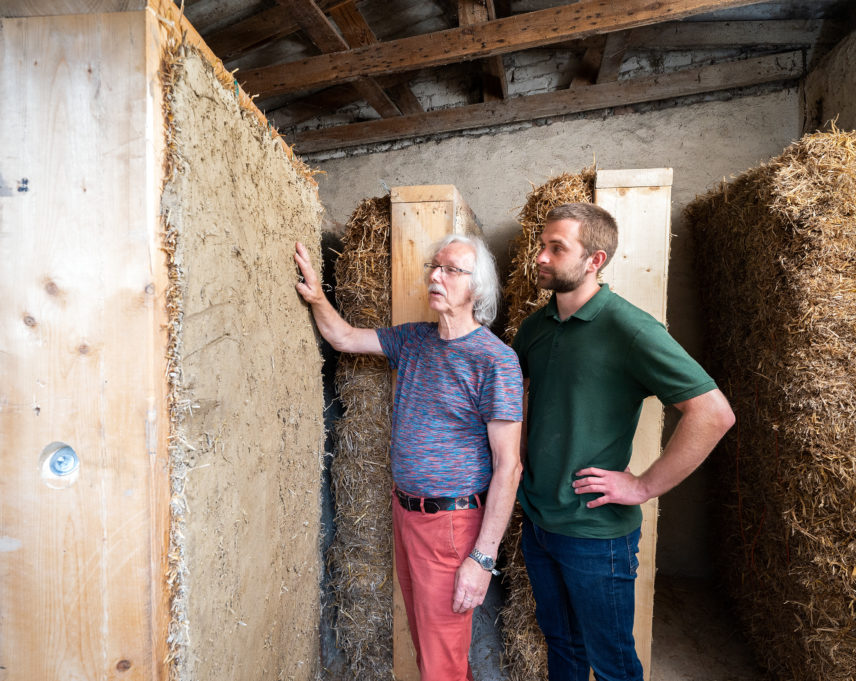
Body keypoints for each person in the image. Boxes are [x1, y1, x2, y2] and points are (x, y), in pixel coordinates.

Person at [511, 202, 736, 681]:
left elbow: (713, 413)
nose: (541, 257)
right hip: (538, 521)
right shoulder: (533, 329)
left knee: (612, 663)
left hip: (595, 535)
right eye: (542, 246)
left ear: (595, 260)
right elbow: (523, 403)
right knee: (561, 647)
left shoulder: (629, 328)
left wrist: (642, 486)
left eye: (557, 248)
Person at [294, 234, 523, 681]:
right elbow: (342, 337)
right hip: (407, 514)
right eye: (433, 268)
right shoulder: (414, 341)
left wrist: (482, 559)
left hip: (452, 528)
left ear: (477, 288)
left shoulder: (495, 361)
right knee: (433, 653)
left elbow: (509, 465)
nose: (435, 276)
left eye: (451, 270)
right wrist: (318, 295)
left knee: (441, 665)